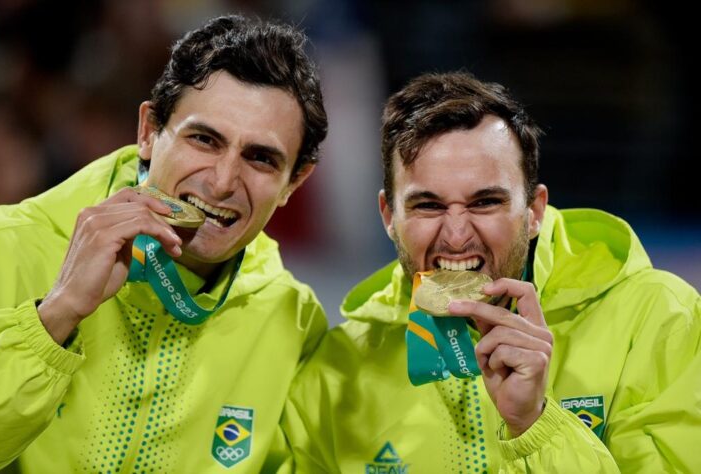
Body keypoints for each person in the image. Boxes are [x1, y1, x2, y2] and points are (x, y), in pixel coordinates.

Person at [277, 72, 700, 472]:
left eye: (485, 203)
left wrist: (535, 425)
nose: (457, 236)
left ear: (533, 211)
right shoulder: (336, 373)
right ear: (389, 216)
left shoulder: (659, 323)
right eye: (428, 205)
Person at [0, 14, 328, 473]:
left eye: (261, 158)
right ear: (149, 132)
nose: (224, 181)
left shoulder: (292, 321)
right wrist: (57, 314)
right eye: (204, 139)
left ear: (295, 182)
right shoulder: (3, 249)